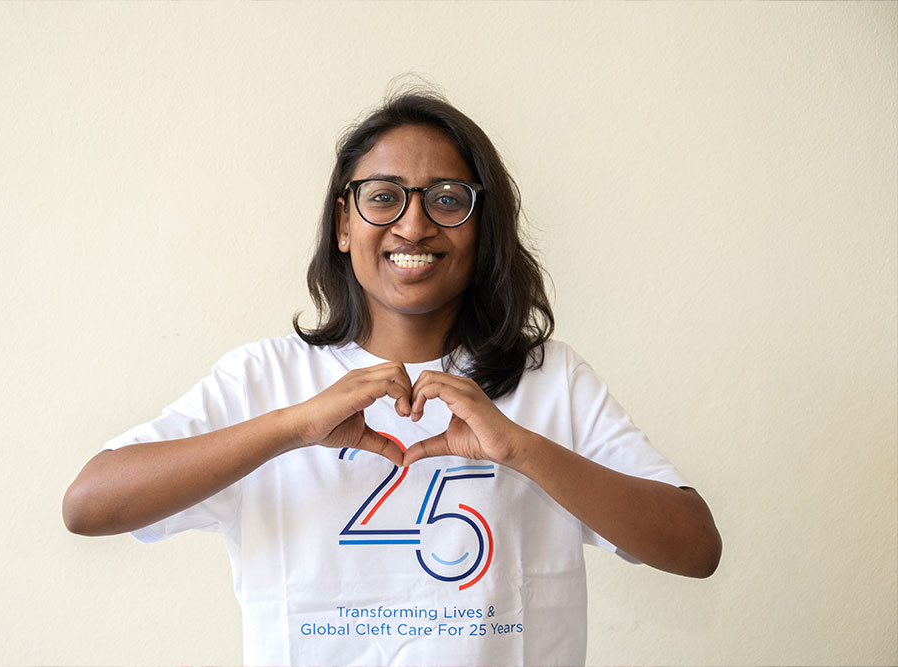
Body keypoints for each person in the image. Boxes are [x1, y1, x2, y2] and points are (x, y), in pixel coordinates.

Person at [62, 90, 721, 666]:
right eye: (383, 197)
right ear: (344, 223)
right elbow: (88, 504)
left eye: (447, 198)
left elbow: (695, 545)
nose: (413, 222)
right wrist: (293, 426)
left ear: (480, 224)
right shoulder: (264, 377)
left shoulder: (551, 380)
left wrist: (519, 448)